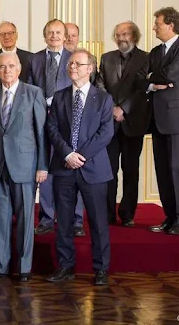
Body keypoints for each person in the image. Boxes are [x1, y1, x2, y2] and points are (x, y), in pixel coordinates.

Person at [46, 48, 114, 286]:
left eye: (78, 63)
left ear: (90, 68)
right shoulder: (59, 95)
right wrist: (67, 154)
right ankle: (65, 266)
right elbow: (52, 128)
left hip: (93, 169)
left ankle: (101, 269)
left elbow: (105, 133)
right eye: (71, 63)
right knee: (63, 221)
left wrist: (80, 156)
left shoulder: (103, 98)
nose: (72, 66)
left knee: (97, 222)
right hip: (64, 167)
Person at [0, 52, 47, 282]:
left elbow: (41, 132)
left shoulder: (33, 93)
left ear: (19, 69)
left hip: (26, 166)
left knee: (26, 219)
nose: (7, 70)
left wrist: (42, 166)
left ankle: (24, 267)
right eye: (2, 67)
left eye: (11, 66)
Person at [28, 19, 85, 237]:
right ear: (45, 35)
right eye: (50, 32)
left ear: (65, 35)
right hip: (41, 121)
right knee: (45, 169)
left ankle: (76, 219)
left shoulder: (75, 58)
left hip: (69, 120)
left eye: (58, 32)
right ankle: (46, 218)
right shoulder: (34, 59)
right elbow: (30, 88)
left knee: (73, 168)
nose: (54, 36)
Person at [144, 7, 179, 235]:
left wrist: (154, 77)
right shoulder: (155, 52)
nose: (154, 26)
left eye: (157, 23)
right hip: (157, 118)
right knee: (162, 170)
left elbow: (171, 75)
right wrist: (153, 82)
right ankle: (169, 216)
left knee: (175, 169)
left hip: (177, 119)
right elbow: (141, 77)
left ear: (170, 25)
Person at [96, 21, 149, 226]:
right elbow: (100, 85)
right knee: (108, 170)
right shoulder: (106, 58)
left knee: (130, 170)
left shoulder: (146, 58)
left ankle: (127, 215)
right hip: (109, 123)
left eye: (125, 34)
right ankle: (108, 214)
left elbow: (141, 88)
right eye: (117, 34)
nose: (121, 38)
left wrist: (123, 108)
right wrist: (111, 108)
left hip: (133, 122)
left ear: (134, 36)